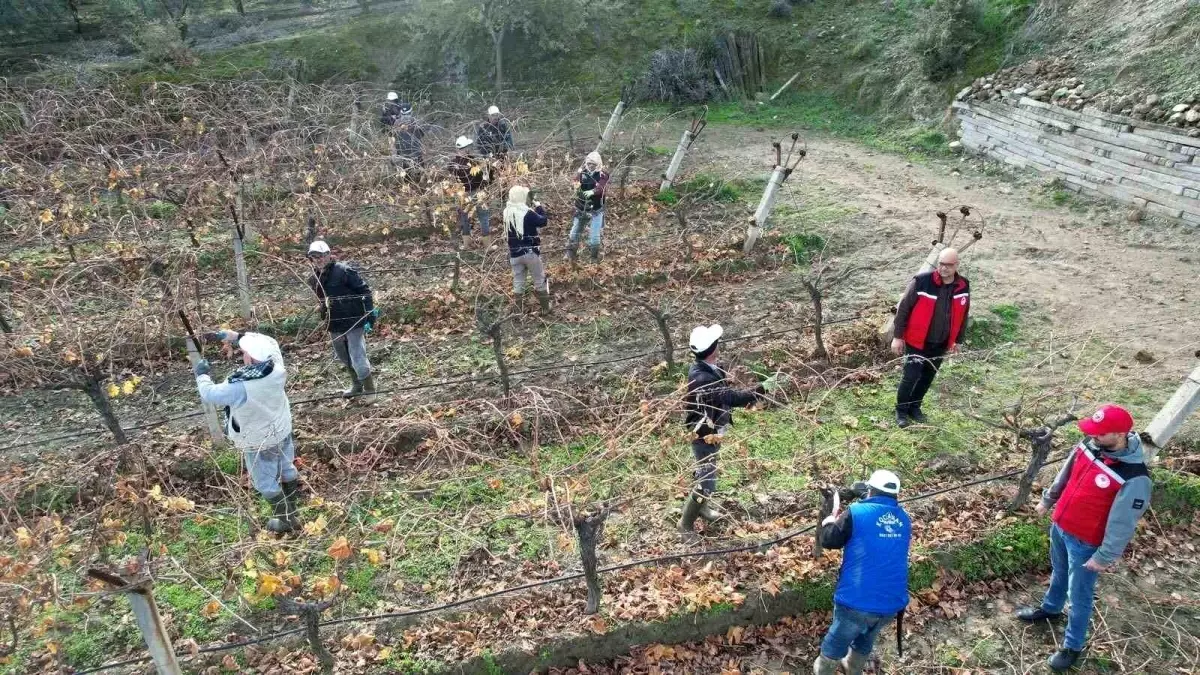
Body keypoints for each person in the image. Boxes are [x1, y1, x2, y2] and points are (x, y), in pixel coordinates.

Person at [1015, 404, 1151, 672]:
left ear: (1120, 434)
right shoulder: (1087, 446)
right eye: (1092, 431)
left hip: (1087, 543)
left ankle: (1072, 645)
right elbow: (1064, 474)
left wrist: (1104, 556)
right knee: (1058, 572)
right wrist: (1048, 500)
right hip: (1061, 526)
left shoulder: (1134, 477)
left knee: (1079, 596)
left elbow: (1123, 523)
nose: (1093, 437)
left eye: (1100, 433)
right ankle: (1051, 608)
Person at [194, 330, 301, 534]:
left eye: (243, 351)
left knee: (264, 481)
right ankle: (293, 510)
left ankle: (286, 520)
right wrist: (236, 336)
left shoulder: (239, 386)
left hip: (258, 440)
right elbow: (271, 342)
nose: (241, 354)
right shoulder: (276, 367)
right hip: (282, 429)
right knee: (286, 467)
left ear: (250, 358)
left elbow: (210, 394)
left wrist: (202, 375)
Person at [813, 470, 911, 675]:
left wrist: (830, 520)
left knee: (835, 643)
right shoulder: (904, 520)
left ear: (870, 490)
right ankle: (853, 668)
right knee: (866, 637)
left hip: (856, 601)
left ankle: (824, 670)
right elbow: (879, 526)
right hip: (892, 603)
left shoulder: (856, 512)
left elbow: (830, 540)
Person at [679, 324, 765, 539]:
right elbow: (732, 398)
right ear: (712, 349)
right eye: (717, 344)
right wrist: (761, 390)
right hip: (702, 434)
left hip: (713, 430)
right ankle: (685, 525)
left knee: (707, 472)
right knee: (707, 481)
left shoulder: (707, 368)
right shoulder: (703, 378)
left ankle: (703, 508)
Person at [890, 247, 970, 428]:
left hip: (940, 343)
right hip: (917, 341)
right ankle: (901, 411)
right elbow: (903, 309)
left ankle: (914, 407)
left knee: (927, 377)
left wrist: (958, 339)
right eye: (941, 264)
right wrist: (897, 336)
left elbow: (964, 314)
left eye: (948, 265)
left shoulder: (963, 286)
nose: (943, 268)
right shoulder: (922, 282)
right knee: (911, 376)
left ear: (957, 265)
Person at [306, 240, 378, 402]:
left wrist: (369, 312)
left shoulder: (344, 271)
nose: (319, 259)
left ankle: (370, 390)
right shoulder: (314, 279)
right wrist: (322, 308)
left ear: (329, 255)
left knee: (357, 355)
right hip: (334, 322)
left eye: (322, 255)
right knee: (343, 356)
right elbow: (322, 299)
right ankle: (357, 386)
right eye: (314, 256)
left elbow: (364, 291)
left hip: (353, 319)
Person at [502, 185, 551, 314]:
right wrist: (539, 206)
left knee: (518, 283)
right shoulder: (527, 213)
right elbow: (543, 221)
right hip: (530, 253)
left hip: (514, 254)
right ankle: (546, 309)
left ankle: (518, 311)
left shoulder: (507, 212)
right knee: (539, 280)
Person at [565, 151, 610, 262]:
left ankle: (594, 257)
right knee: (574, 232)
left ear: (598, 164)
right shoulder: (582, 172)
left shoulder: (602, 174)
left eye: (593, 164)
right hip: (581, 207)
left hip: (596, 209)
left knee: (594, 237)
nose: (590, 166)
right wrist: (576, 186)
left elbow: (601, 188)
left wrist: (593, 191)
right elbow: (575, 180)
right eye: (589, 163)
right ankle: (570, 253)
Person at [448, 135, 492, 240]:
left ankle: (467, 243)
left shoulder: (452, 164)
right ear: (466, 149)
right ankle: (486, 242)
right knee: (483, 216)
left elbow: (451, 175)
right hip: (476, 192)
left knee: (464, 217)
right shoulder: (473, 162)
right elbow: (483, 178)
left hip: (462, 194)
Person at [383, 96, 425, 170]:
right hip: (415, 153)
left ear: (401, 112)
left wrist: (394, 154)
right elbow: (421, 136)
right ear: (411, 111)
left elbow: (392, 138)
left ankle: (407, 177)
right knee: (420, 166)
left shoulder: (396, 122)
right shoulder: (415, 122)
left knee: (405, 170)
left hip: (402, 153)